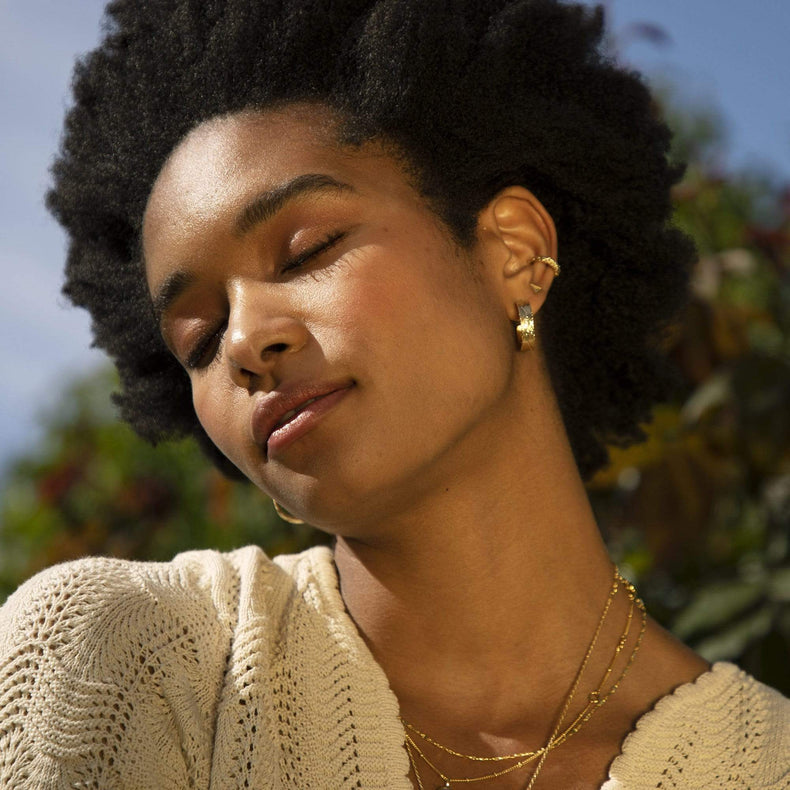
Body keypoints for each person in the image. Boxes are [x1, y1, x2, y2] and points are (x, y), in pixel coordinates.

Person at [0, 0, 787, 787]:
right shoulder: (121, 664)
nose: (243, 344)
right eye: (199, 340)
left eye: (308, 251)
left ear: (516, 252)